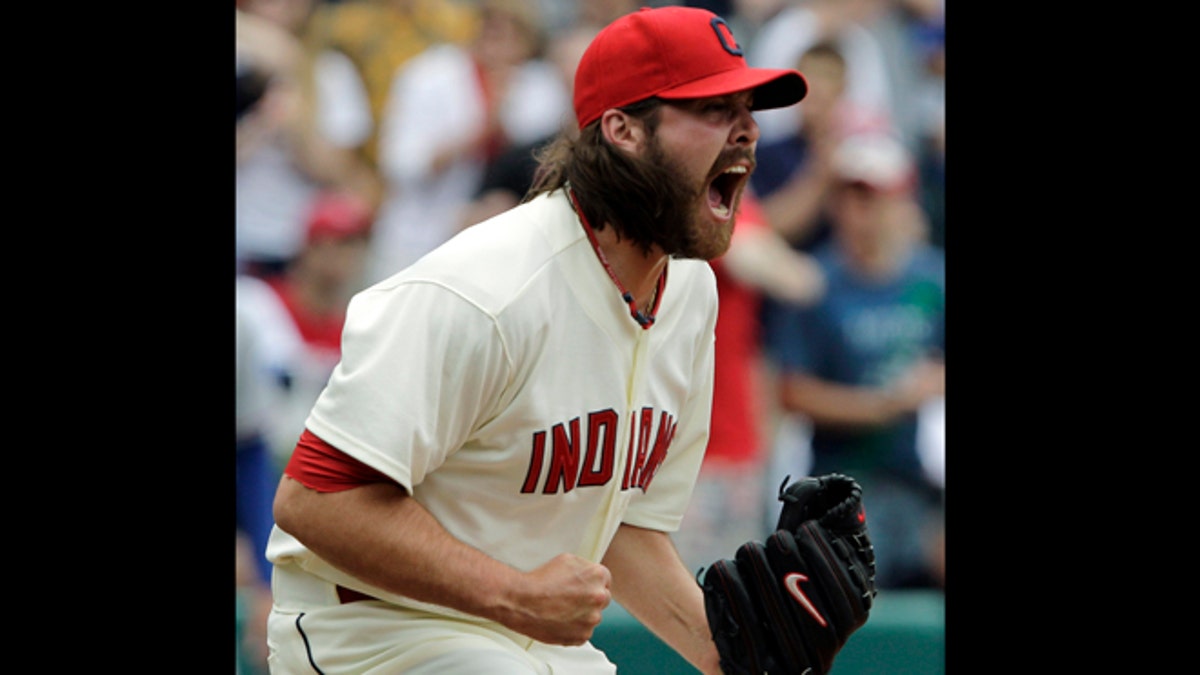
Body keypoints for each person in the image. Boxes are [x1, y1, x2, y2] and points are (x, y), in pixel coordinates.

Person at [263, 6, 808, 674]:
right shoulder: (487, 291)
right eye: (714, 108)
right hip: (374, 627)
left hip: (522, 635)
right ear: (623, 129)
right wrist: (512, 594)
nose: (749, 131)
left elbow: (625, 529)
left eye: (748, 108)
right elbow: (316, 498)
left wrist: (732, 654)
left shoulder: (690, 293)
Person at [762, 130, 945, 589]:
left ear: (902, 201)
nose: (859, 212)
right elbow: (790, 389)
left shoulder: (930, 280)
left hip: (916, 480)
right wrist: (881, 405)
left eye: (873, 198)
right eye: (849, 197)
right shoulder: (814, 282)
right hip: (838, 487)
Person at [364, 0, 571, 284]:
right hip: (419, 240)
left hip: (506, 247)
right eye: (492, 26)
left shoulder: (541, 86)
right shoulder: (429, 75)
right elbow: (400, 164)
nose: (500, 39)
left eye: (513, 30)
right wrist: (475, 135)